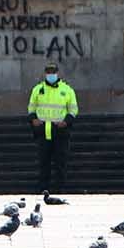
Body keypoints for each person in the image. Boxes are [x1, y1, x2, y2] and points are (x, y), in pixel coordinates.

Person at [28, 61, 79, 194]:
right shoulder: (37, 89)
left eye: (53, 72)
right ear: (45, 74)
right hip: (43, 130)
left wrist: (66, 122)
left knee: (60, 163)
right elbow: (31, 107)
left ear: (57, 73)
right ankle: (43, 189)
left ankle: (59, 190)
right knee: (43, 163)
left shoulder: (67, 90)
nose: (51, 74)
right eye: (49, 72)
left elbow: (73, 109)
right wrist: (33, 119)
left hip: (60, 131)